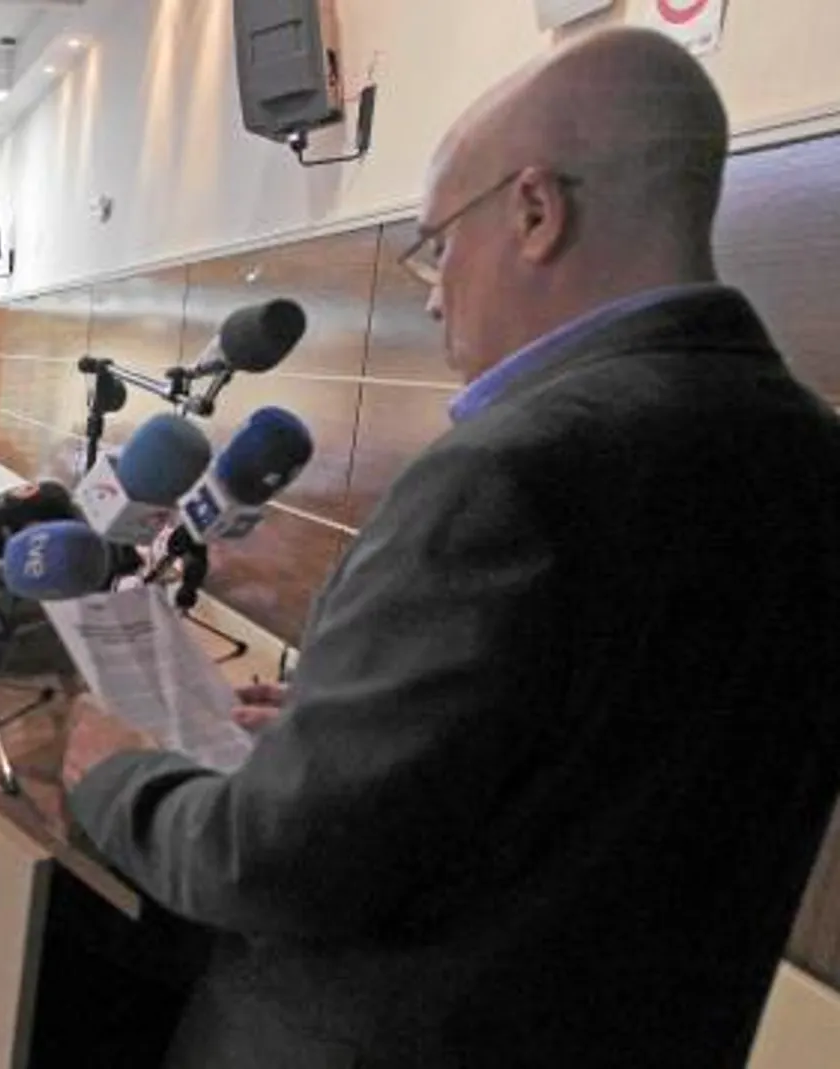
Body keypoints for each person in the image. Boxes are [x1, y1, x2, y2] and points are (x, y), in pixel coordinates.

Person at [61, 29, 840, 1069]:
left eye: (435, 242)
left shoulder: (508, 470)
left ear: (533, 212)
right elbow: (611, 769)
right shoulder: (809, 453)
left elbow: (277, 865)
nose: (429, 290)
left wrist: (115, 775)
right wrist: (365, 724)